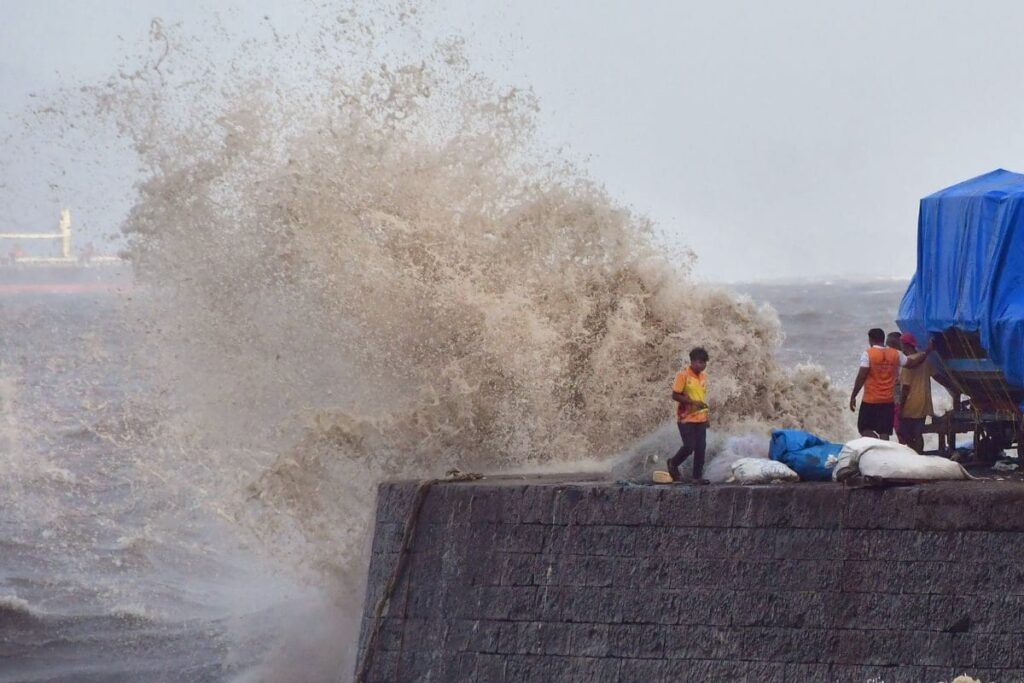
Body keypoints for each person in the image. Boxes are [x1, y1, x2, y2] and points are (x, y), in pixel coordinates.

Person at [849, 328, 932, 439]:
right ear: (883, 339)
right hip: (888, 401)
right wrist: (927, 351)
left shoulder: (868, 354)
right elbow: (912, 363)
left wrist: (853, 395)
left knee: (864, 428)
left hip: (871, 400)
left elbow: (861, 376)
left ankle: (875, 443)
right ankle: (884, 451)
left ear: (871, 340)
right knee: (884, 431)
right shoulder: (895, 354)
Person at [667, 347, 710, 484]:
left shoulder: (703, 377)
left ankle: (697, 477)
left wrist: (706, 416)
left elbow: (702, 398)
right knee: (689, 446)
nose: (702, 365)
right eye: (699, 362)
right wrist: (692, 402)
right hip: (685, 418)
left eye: (704, 363)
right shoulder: (683, 375)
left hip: (701, 418)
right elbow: (675, 395)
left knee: (701, 448)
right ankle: (673, 463)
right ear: (692, 361)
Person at [897, 332, 934, 453]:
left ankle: (913, 454)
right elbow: (936, 376)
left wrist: (900, 407)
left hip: (910, 404)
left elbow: (905, 388)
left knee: (904, 433)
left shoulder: (907, 363)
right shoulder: (925, 360)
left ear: (904, 345)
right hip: (924, 402)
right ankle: (919, 455)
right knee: (918, 433)